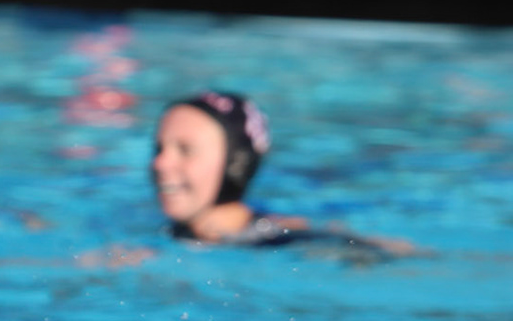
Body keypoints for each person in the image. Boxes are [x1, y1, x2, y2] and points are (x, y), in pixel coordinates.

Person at [152, 91, 412, 257]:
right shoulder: (158, 237)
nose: (160, 163)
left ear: (237, 163)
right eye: (159, 148)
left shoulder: (288, 241)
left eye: (185, 150)